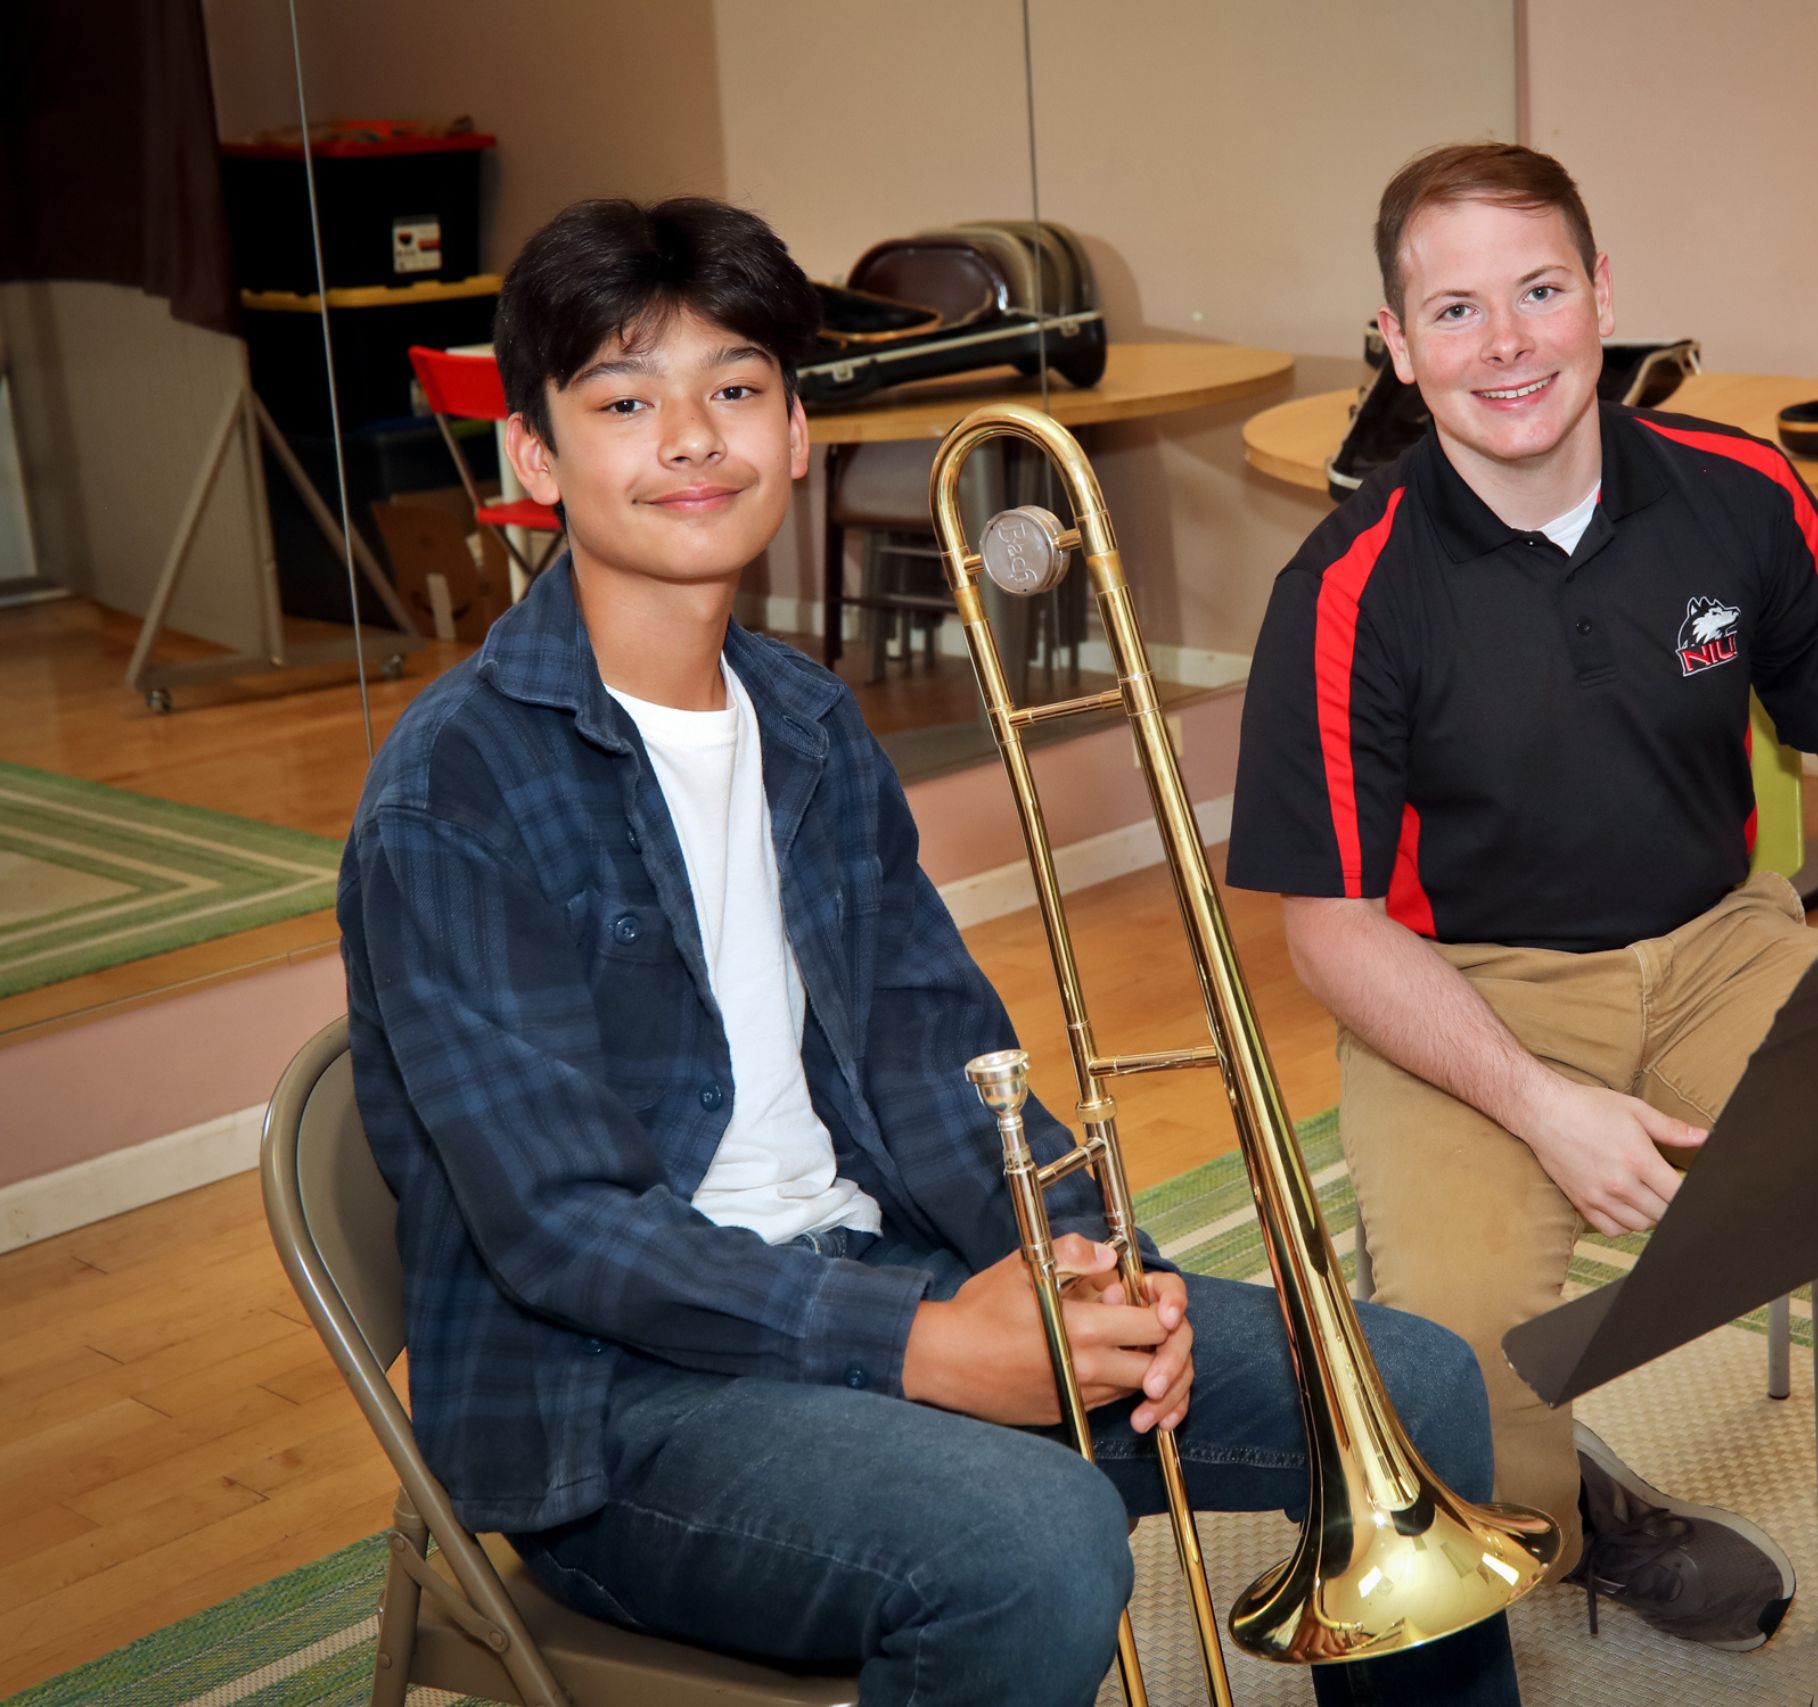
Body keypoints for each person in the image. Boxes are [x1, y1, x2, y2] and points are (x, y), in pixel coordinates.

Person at [336, 195, 1521, 1707]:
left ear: (798, 431)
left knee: (1410, 1388)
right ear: (534, 456)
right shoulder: (456, 787)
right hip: (620, 1406)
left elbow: (937, 1062)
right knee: (1034, 1542)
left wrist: (1086, 1262)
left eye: (738, 391)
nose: (693, 438)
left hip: (874, 1277)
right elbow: (567, 1232)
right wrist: (922, 1345)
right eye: (626, 402)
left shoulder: (810, 724)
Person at [1227, 144, 1818, 1706]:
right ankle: (1579, 1508)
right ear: (1397, 345)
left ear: (1602, 292)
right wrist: (1541, 1106)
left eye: (1539, 290)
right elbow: (1327, 930)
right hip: (1460, 984)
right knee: (1450, 1354)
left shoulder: (1736, 489)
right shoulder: (1343, 587)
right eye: (1454, 310)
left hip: (1720, 936)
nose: (1508, 342)